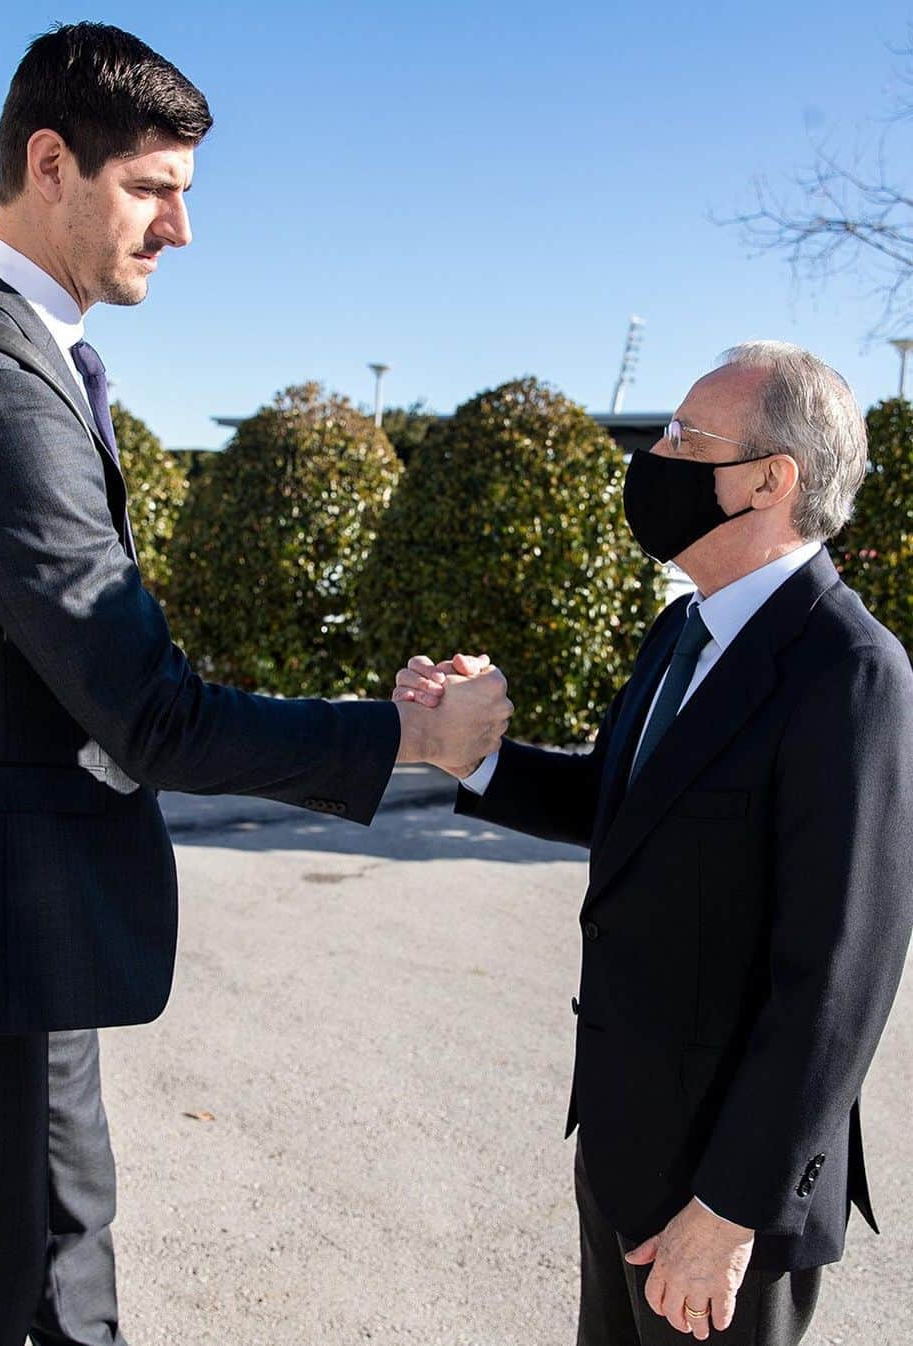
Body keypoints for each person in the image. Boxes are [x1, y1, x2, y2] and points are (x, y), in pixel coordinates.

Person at [0, 23, 512, 1346]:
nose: (181, 230)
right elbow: (148, 711)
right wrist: (413, 735)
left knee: (61, 1250)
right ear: (49, 165)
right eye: (154, 188)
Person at [395, 342, 913, 1345]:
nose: (657, 453)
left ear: (770, 478)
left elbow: (836, 988)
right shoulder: (681, 633)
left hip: (724, 1196)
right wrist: (473, 753)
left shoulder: (850, 671)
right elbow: (625, 801)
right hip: (626, 1153)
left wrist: (726, 1212)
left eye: (685, 436)